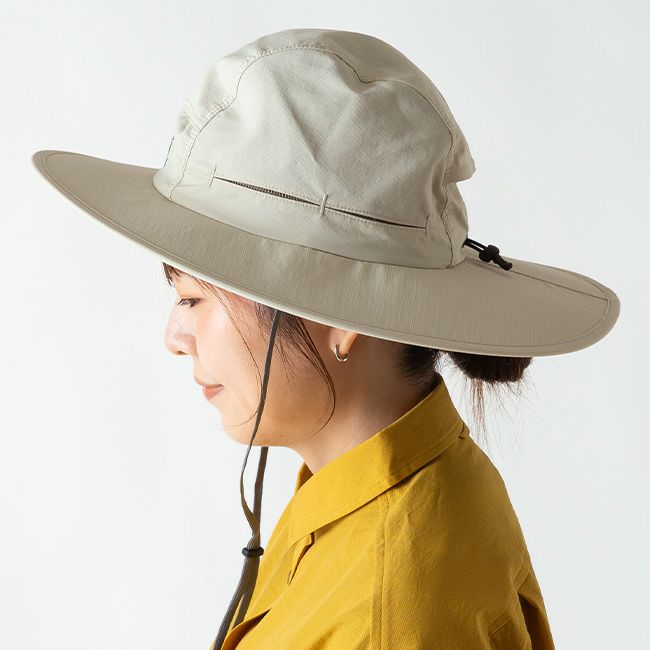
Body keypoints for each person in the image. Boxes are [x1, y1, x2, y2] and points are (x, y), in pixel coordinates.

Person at [31, 27, 620, 650]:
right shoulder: (390, 486)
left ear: (341, 318)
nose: (175, 337)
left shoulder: (384, 616)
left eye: (194, 299)